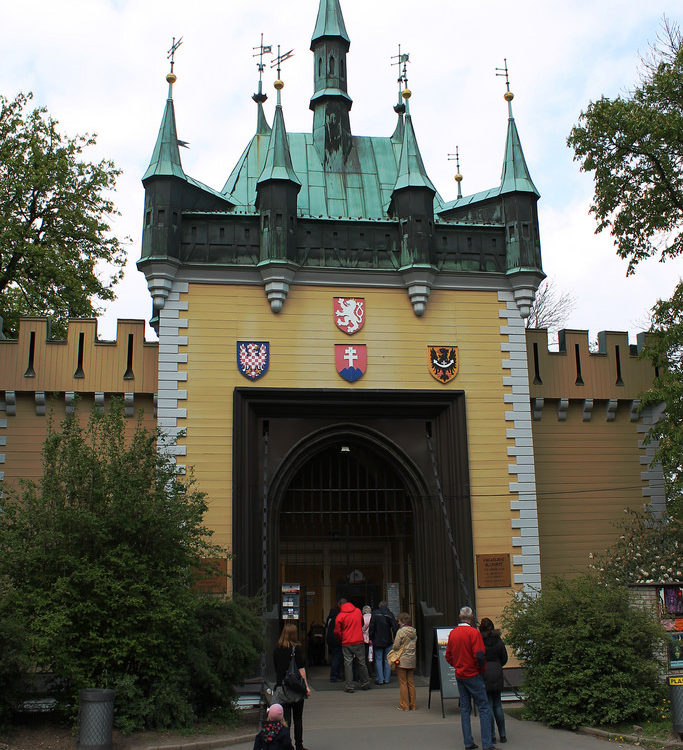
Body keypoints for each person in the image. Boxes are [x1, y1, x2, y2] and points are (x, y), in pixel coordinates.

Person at [445, 606, 496, 750]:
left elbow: (448, 655)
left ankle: (468, 742)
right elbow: (479, 655)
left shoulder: (453, 633)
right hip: (473, 674)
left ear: (460, 617)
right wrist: (481, 669)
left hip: (460, 673)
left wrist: (457, 665)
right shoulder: (473, 633)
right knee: (484, 708)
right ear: (471, 617)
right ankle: (487, 744)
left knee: (465, 709)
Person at [273, 623, 311, 750]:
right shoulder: (297, 649)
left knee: (286, 719)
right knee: (298, 718)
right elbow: (301, 669)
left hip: (282, 687)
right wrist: (306, 686)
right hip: (295, 688)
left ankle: (287, 745)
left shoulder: (277, 649)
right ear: (294, 634)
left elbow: (276, 668)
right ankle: (299, 745)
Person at [479, 617, 508, 744]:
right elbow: (504, 658)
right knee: (498, 705)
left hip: (484, 672)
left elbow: (478, 657)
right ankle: (503, 734)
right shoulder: (498, 641)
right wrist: (498, 665)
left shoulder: (479, 641)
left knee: (488, 705)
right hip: (497, 671)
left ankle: (491, 735)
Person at [334, 598, 371, 693]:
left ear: (340, 605)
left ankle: (349, 686)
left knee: (348, 663)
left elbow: (337, 631)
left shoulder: (340, 616)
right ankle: (365, 683)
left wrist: (341, 638)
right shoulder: (358, 611)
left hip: (346, 641)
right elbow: (362, 623)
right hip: (358, 640)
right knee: (362, 662)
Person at [391, 612, 417, 710]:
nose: (397, 623)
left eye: (398, 620)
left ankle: (404, 705)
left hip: (402, 659)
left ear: (401, 621)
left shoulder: (400, 632)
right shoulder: (413, 631)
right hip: (411, 659)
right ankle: (413, 705)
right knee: (411, 682)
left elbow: (396, 646)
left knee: (403, 683)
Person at [369, 600, 398, 685]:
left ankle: (380, 679)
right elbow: (394, 627)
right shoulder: (390, 614)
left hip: (377, 640)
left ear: (379, 605)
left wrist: (370, 637)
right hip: (388, 639)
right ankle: (387, 679)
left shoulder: (375, 613)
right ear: (387, 606)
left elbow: (372, 627)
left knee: (378, 659)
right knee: (387, 659)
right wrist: (395, 638)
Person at [325, 602, 343, 682]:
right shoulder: (338, 617)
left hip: (330, 640)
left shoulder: (330, 618)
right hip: (336, 640)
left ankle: (336, 675)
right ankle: (334, 676)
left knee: (335, 657)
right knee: (337, 658)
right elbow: (338, 630)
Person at [361, 605, 375, 679]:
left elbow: (362, 629)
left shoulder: (362, 617)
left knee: (365, 656)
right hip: (372, 639)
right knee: (372, 655)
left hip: (364, 639)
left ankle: (367, 672)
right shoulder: (373, 616)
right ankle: (372, 671)